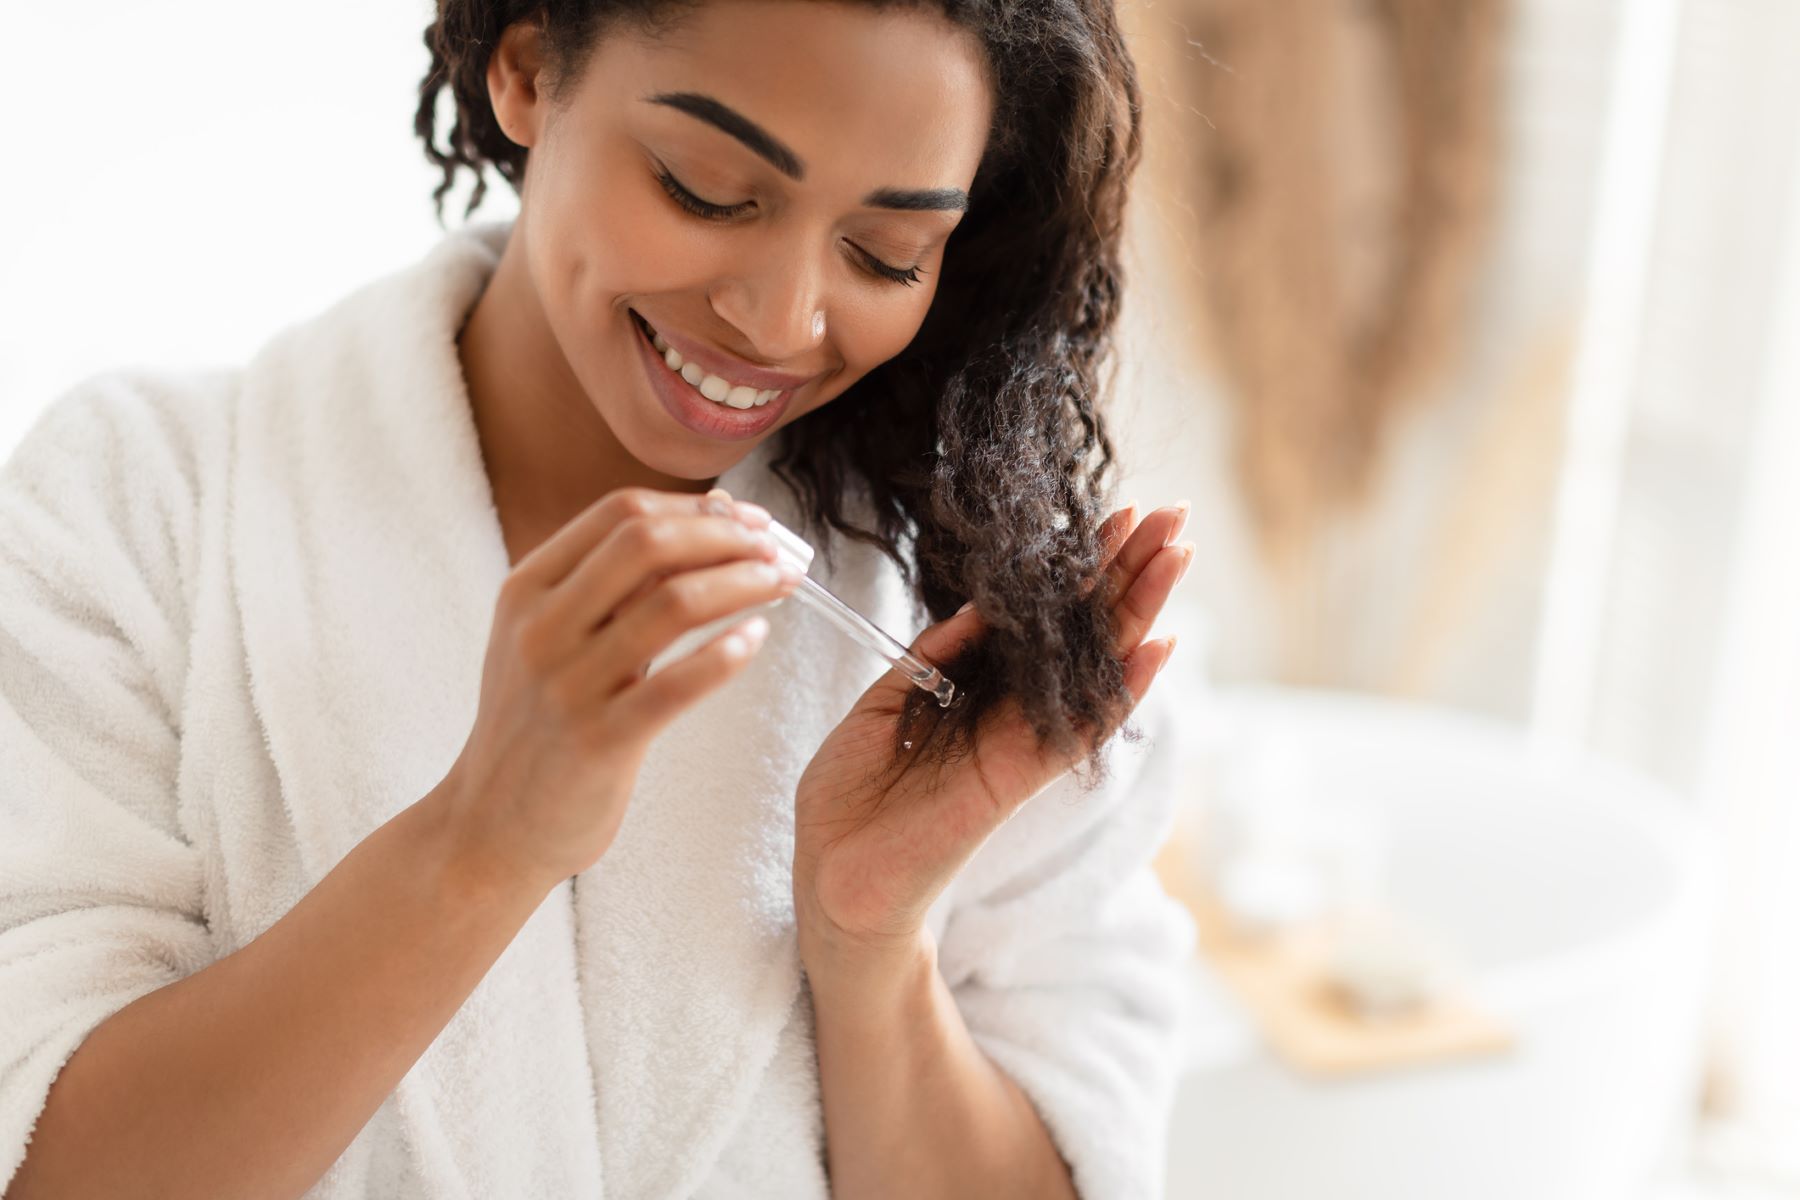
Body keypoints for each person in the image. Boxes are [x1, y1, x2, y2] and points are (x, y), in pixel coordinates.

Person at [0, 0, 1198, 1196]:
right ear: (526, 71)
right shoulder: (143, 503)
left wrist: (869, 936)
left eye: (886, 253)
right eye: (707, 189)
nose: (781, 321)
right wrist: (480, 839)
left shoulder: (973, 613)